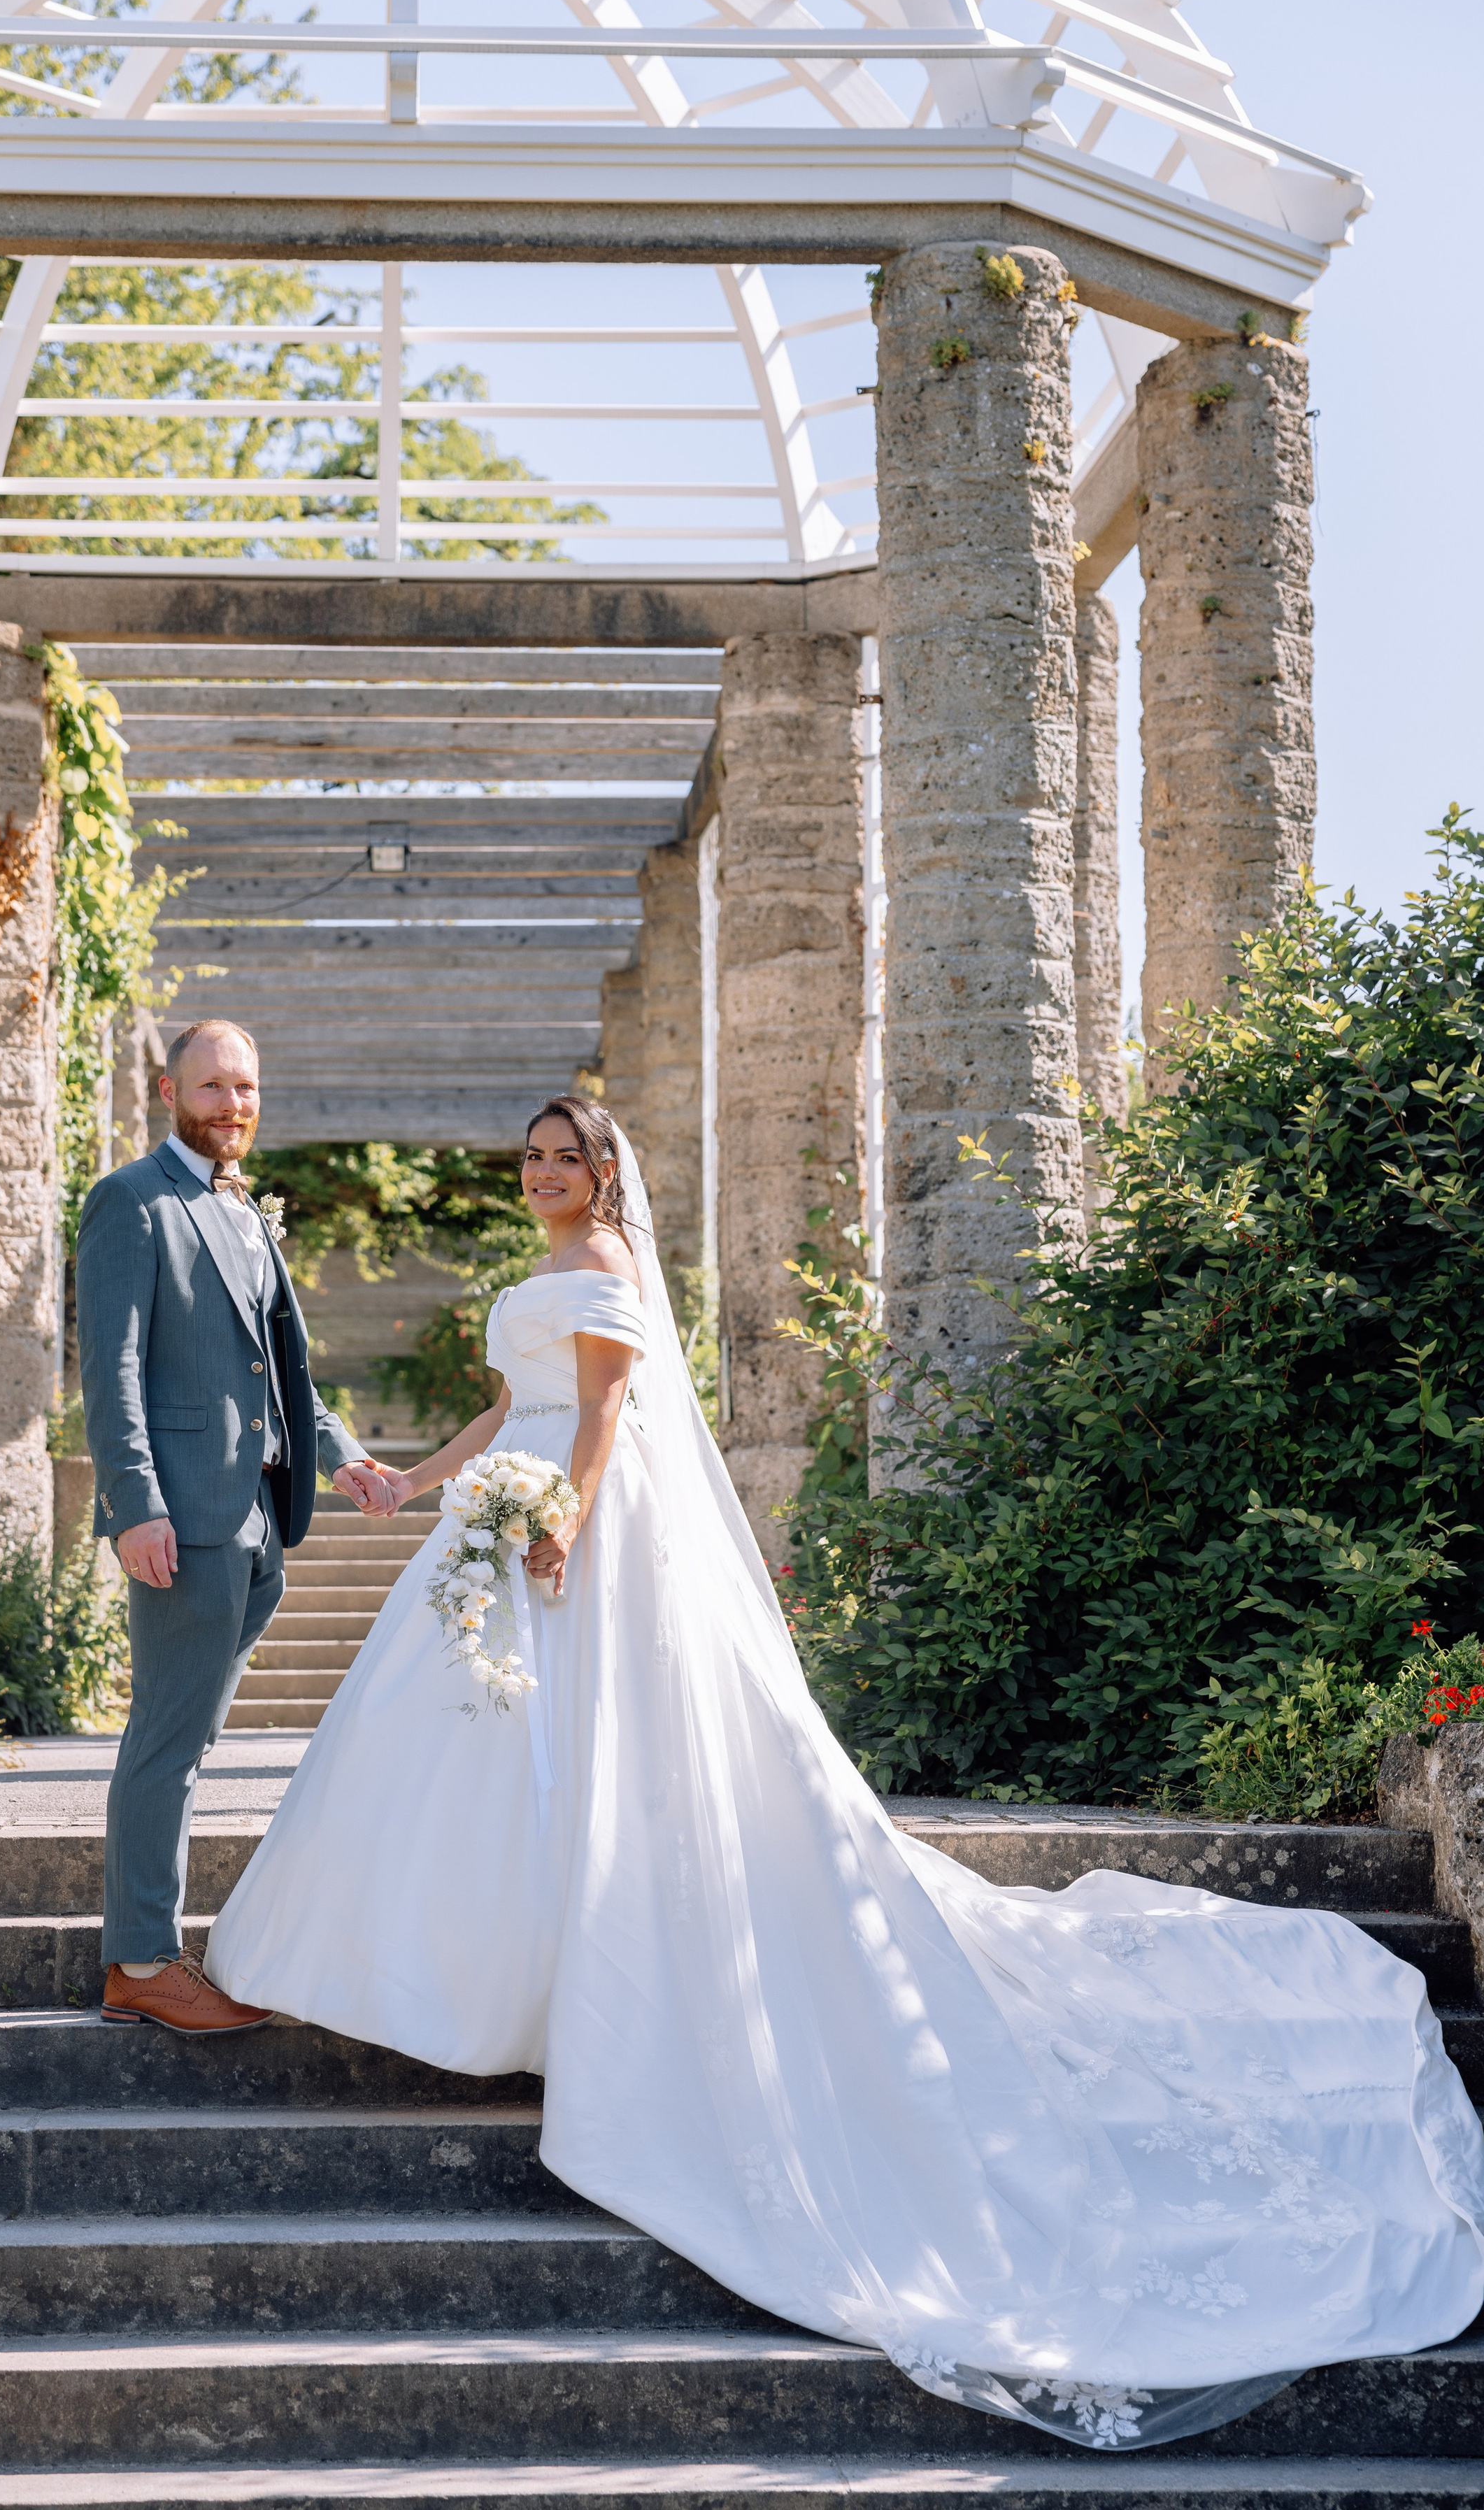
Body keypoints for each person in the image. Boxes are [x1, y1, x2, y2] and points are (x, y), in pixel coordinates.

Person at [205, 1094, 1484, 2449]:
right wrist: (422, 1479)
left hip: (570, 1534)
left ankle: (582, 1984)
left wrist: (563, 1516)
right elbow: (507, 1403)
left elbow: (595, 1416)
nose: (542, 1173)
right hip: (497, 1522)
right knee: (474, 1761)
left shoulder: (611, 1271)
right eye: (531, 1155)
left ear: (603, 1175)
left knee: (581, 1762)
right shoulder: (543, 1271)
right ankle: (490, 1982)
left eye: (564, 1156)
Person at [77, 1018, 397, 2036]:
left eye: (246, 1087)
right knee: (167, 1740)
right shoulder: (132, 1202)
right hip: (186, 1519)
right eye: (211, 1086)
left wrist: (342, 1453)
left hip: (257, 1522)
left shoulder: (243, 1212)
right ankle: (139, 1960)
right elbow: (112, 1368)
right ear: (171, 1090)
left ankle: (149, 1947)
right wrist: (137, 1505)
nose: (232, 1105)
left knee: (191, 1733)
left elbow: (276, 1371)